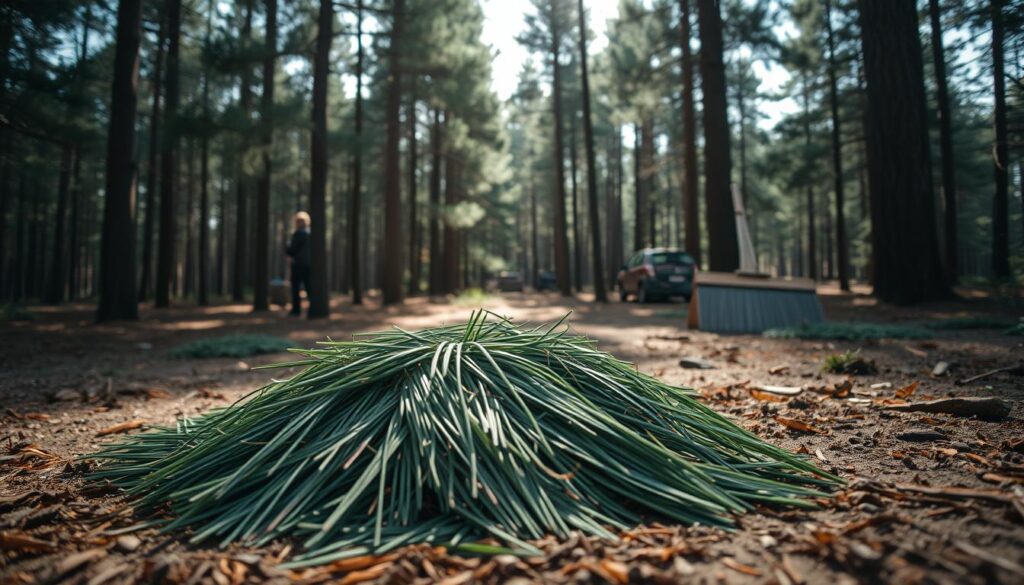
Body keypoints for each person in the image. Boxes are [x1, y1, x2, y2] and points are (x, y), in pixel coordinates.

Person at [285, 211, 312, 316]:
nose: (299, 223)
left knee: (296, 287)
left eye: (301, 221)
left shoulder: (299, 234)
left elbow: (292, 249)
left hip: (298, 264)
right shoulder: (310, 234)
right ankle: (310, 308)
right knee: (308, 287)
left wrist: (287, 248)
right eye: (298, 221)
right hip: (308, 265)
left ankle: (296, 310)